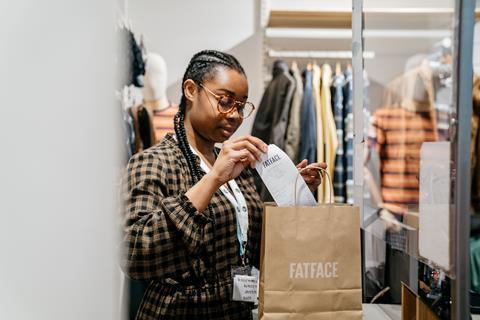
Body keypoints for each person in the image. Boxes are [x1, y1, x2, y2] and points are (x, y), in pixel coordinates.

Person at [122, 50, 325, 320]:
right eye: (225, 101)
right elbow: (135, 253)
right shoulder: (154, 162)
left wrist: (295, 194)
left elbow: (249, 241)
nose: (235, 115)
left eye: (241, 106)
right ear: (191, 90)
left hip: (236, 309)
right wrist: (213, 179)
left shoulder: (235, 167)